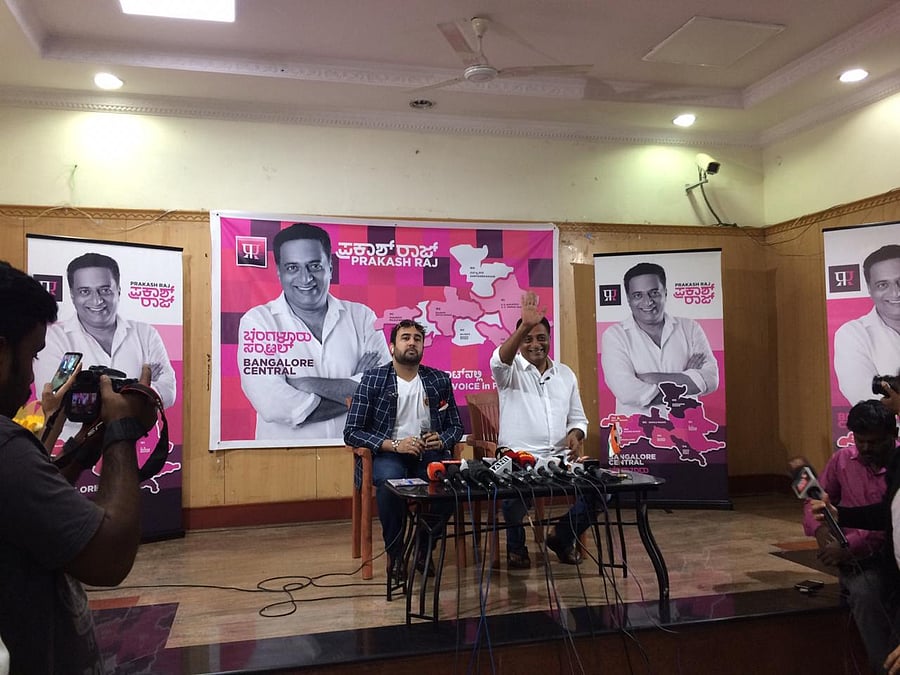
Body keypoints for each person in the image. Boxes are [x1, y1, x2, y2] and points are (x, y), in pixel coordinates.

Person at [0, 261, 157, 673]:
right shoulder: (5, 448)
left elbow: (31, 511)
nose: (32, 381)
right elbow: (110, 556)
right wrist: (121, 430)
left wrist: (86, 445)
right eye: (31, 355)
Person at [239, 223, 390, 442]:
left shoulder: (362, 317)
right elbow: (272, 404)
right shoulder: (258, 322)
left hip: (358, 453)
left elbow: (383, 390)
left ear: (330, 267)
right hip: (284, 460)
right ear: (279, 272)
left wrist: (305, 383)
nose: (305, 278)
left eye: (314, 266)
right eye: (292, 267)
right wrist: (357, 392)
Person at [343, 319, 463, 579]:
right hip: (388, 454)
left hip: (427, 454)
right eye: (405, 337)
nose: (411, 342)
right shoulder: (374, 379)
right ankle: (396, 554)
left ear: (422, 346)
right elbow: (351, 432)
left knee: (453, 485)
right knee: (391, 484)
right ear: (392, 346)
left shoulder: (439, 380)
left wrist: (441, 440)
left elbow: (456, 427)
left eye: (417, 339)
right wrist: (394, 444)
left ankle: (423, 546)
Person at [491, 291, 590, 569]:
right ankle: (516, 546)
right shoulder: (509, 372)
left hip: (558, 460)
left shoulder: (566, 374)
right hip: (516, 458)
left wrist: (575, 434)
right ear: (520, 342)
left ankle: (562, 535)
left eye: (541, 337)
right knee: (513, 493)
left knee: (601, 491)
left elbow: (579, 419)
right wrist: (524, 324)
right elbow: (498, 361)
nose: (535, 344)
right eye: (528, 338)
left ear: (549, 340)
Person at [34, 252, 177, 441]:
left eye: (105, 290)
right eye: (85, 291)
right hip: (72, 450)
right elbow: (56, 400)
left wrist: (90, 393)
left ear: (118, 290)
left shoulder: (146, 333)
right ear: (72, 295)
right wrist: (137, 389)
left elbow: (169, 392)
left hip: (135, 448)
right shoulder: (53, 337)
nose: (97, 300)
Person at [801, 399, 899, 672]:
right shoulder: (842, 460)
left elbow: (889, 521)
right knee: (865, 590)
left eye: (875, 442)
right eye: (860, 440)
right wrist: (820, 529)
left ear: (894, 436)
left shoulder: (898, 466)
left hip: (889, 554)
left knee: (873, 594)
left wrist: (850, 546)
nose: (866, 448)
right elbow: (813, 500)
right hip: (860, 562)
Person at [600, 262, 718, 417]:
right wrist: (688, 378)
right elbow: (626, 391)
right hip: (637, 435)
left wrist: (650, 378)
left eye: (654, 293)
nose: (648, 302)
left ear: (665, 293)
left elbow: (711, 379)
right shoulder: (615, 336)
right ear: (628, 299)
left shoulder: (690, 328)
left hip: (688, 432)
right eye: (638, 295)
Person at [834, 245, 900, 406]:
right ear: (870, 289)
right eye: (883, 285)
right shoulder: (852, 334)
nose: (896, 293)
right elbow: (866, 400)